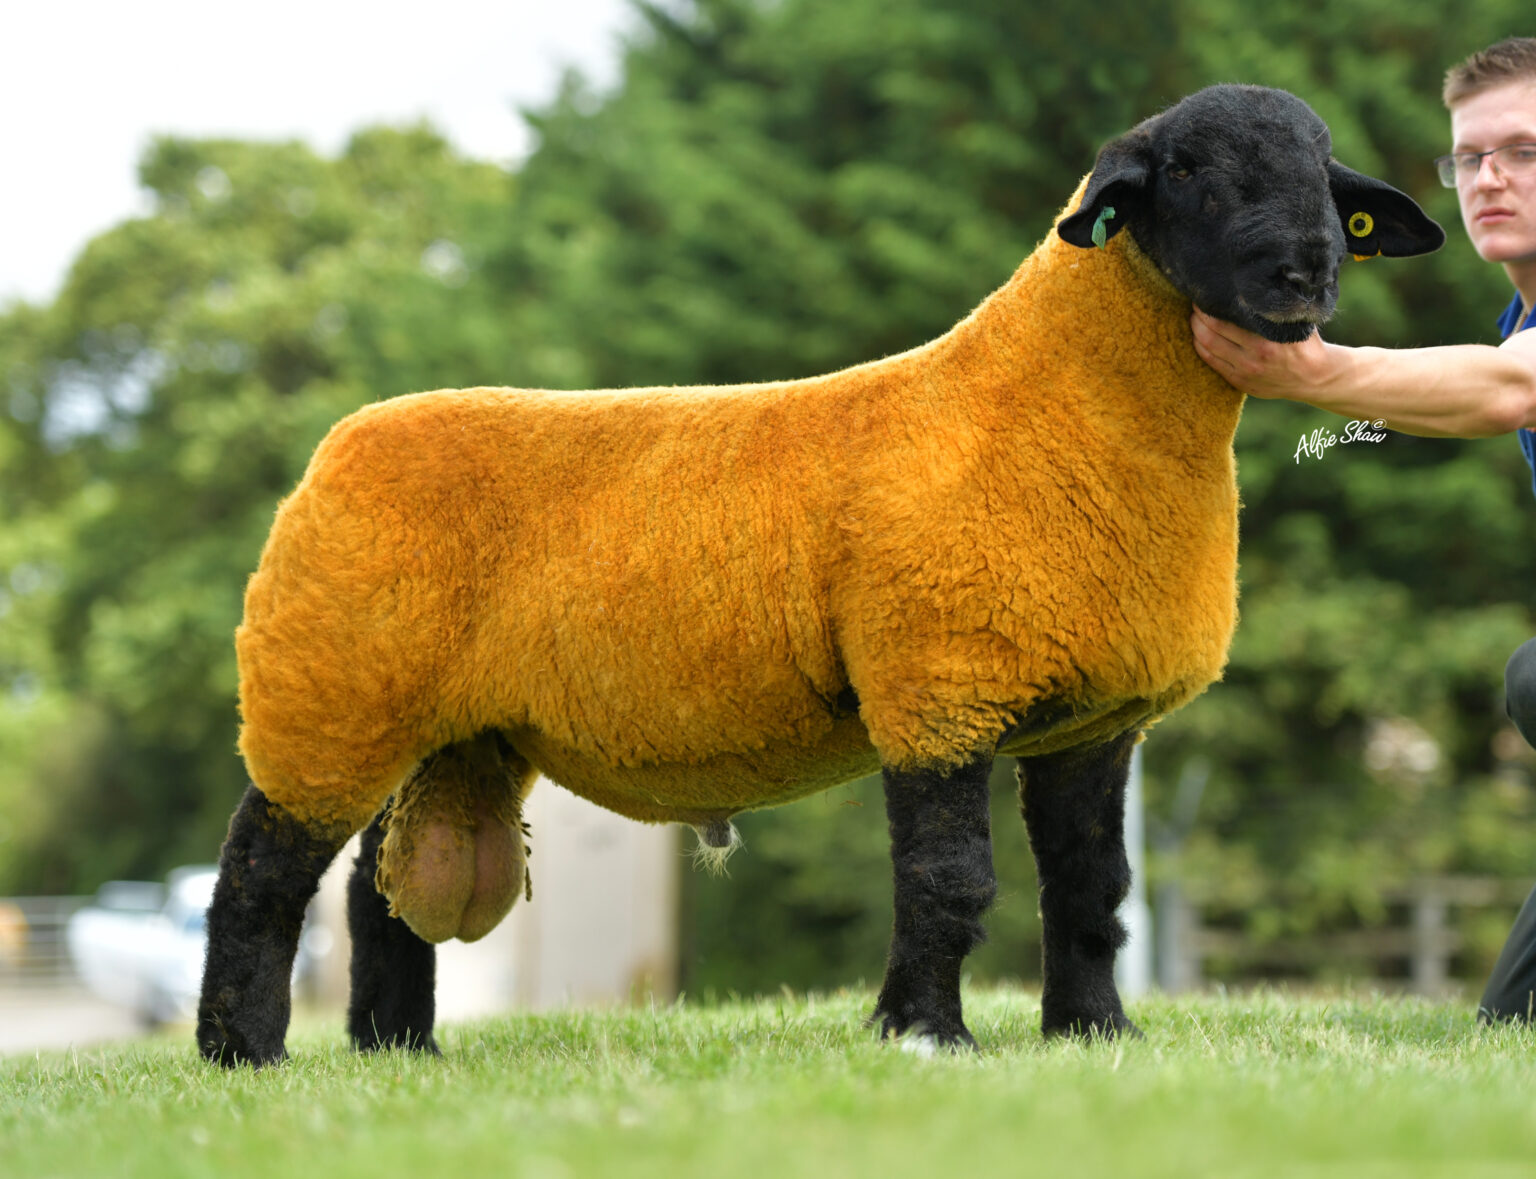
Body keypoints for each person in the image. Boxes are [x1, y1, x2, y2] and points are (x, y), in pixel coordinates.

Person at [1189, 37, 1536, 1022]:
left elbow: (1515, 392)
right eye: (1469, 158)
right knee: (1511, 1035)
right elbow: (1484, 392)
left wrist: (1316, 374)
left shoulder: (1520, 357)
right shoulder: (1518, 320)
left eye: (1524, 151)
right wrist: (1328, 407)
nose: (1489, 179)